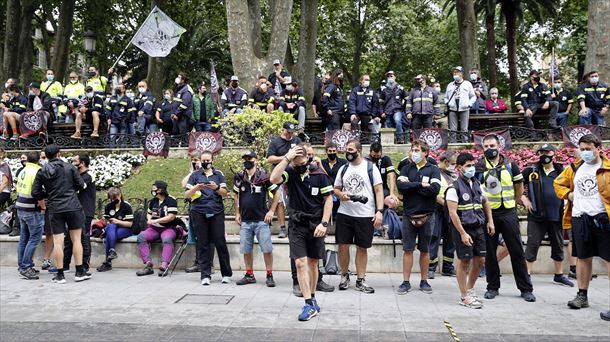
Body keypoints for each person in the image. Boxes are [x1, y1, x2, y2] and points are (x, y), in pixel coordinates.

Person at [270, 144, 333, 321]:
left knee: (313, 263)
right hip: (297, 224)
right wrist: (287, 158)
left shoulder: (319, 174)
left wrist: (324, 223)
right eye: (295, 163)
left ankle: (312, 298)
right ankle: (307, 303)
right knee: (300, 263)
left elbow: (328, 200)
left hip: (316, 224)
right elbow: (274, 179)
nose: (299, 166)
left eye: (301, 163)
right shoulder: (290, 171)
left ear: (307, 159)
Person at [553, 134, 610, 320]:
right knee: (583, 257)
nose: (585, 152)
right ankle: (582, 295)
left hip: (603, 218)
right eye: (582, 149)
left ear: (598, 148)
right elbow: (558, 183)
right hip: (580, 217)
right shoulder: (574, 168)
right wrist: (568, 194)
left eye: (589, 149)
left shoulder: (607, 168)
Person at [475, 134, 536, 302]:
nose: (489, 149)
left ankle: (525, 288)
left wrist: (515, 203)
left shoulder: (511, 165)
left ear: (499, 146)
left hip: (509, 213)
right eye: (486, 146)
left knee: (516, 251)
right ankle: (492, 287)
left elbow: (519, 186)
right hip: (489, 214)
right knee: (490, 253)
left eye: (492, 145)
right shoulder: (479, 167)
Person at [31, 144, 89, 284]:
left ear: (46, 155)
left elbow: (35, 192)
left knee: (58, 242)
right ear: (59, 154)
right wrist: (69, 190)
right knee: (76, 239)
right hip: (72, 205)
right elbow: (81, 185)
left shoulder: (42, 170)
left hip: (55, 208)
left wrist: (49, 194)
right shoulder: (70, 167)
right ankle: (80, 271)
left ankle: (60, 274)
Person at [334, 140, 384, 293]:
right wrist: (341, 194)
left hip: (365, 214)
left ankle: (361, 279)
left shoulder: (371, 168)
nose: (348, 152)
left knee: (362, 248)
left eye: (350, 150)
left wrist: (379, 211)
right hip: (345, 213)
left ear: (359, 150)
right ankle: (344, 275)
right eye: (346, 150)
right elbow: (336, 188)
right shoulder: (343, 168)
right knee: (343, 246)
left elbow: (379, 191)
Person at [446, 152, 494, 309]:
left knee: (480, 260)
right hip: (463, 229)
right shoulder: (454, 188)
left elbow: (485, 202)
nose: (472, 168)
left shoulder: (478, 184)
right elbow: (453, 213)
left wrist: (490, 222)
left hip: (478, 227)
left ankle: (470, 289)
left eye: (473, 165)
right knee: (464, 260)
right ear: (459, 168)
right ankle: (464, 295)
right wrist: (462, 233)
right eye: (468, 166)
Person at [521, 144, 573, 286]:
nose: (545, 155)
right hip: (537, 216)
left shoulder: (561, 171)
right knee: (532, 245)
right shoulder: (531, 171)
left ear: (554, 153)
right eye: (542, 152)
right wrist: (524, 199)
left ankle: (559, 274)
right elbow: (518, 187)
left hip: (556, 215)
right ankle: (527, 276)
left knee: (558, 245)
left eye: (547, 152)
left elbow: (571, 188)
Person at [396, 140, 440, 294]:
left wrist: (412, 186)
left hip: (428, 215)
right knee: (407, 249)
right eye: (413, 150)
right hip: (409, 215)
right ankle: (406, 282)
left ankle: (424, 281)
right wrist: (420, 185)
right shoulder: (406, 168)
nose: (414, 153)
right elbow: (401, 186)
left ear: (425, 152)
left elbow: (435, 189)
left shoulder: (433, 170)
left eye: (417, 150)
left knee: (425, 250)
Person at [185, 152, 233, 284]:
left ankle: (226, 274)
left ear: (212, 160)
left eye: (208, 160)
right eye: (204, 160)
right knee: (203, 244)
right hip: (199, 212)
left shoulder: (219, 174)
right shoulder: (195, 175)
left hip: (216, 211)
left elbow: (225, 193)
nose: (206, 162)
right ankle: (205, 275)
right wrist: (196, 187)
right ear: (200, 161)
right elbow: (187, 194)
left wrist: (216, 187)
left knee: (220, 242)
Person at [233, 151, 279, 287]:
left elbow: (276, 194)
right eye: (245, 158)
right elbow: (235, 194)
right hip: (245, 221)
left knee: (267, 249)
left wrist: (271, 211)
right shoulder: (240, 177)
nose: (247, 160)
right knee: (246, 249)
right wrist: (237, 213)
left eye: (250, 158)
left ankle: (269, 274)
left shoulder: (263, 177)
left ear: (256, 160)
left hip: (261, 220)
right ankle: (249, 274)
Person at [136, 181, 180, 277]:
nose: (153, 190)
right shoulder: (153, 201)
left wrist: (156, 221)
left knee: (167, 239)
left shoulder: (171, 200)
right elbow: (149, 213)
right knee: (141, 237)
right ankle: (148, 264)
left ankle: (164, 265)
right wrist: (149, 219)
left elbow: (171, 217)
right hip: (154, 229)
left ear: (160, 189)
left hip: (168, 228)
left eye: (154, 188)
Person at [267, 122, 302, 238]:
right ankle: (282, 228)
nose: (290, 135)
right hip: (279, 176)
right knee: (279, 202)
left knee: (294, 201)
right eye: (288, 132)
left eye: (292, 132)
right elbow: (270, 159)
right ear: (283, 130)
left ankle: (295, 226)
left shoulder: (296, 140)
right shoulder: (275, 142)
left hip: (293, 175)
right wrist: (286, 157)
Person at [61, 154, 95, 273]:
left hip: (85, 211)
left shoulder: (89, 176)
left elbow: (76, 187)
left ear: (83, 163)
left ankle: (84, 266)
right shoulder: (76, 175)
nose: (72, 163)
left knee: (83, 238)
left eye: (75, 161)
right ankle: (65, 265)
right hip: (74, 210)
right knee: (69, 238)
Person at [15, 151, 45, 280]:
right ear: (38, 160)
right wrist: (43, 206)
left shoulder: (23, 170)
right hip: (31, 209)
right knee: (34, 239)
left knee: (24, 238)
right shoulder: (38, 171)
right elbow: (38, 192)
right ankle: (26, 267)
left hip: (20, 207)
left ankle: (22, 265)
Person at [428, 151, 457, 279]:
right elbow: (434, 194)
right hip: (437, 210)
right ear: (445, 162)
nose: (454, 166)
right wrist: (447, 204)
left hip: (450, 211)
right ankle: (431, 268)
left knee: (450, 239)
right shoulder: (435, 173)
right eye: (453, 164)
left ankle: (447, 267)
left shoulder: (453, 175)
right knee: (434, 237)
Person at [96, 187, 134, 272]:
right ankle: (112, 251)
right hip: (112, 229)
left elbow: (130, 224)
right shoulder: (108, 206)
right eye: (112, 198)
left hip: (125, 229)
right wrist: (108, 222)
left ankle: (108, 263)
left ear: (120, 195)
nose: (114, 200)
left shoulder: (126, 206)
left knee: (109, 235)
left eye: (115, 197)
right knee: (111, 228)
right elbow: (106, 221)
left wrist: (117, 221)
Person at [445, 66, 476, 143]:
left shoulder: (467, 84)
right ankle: (453, 144)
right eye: (454, 72)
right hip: (452, 109)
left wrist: (469, 104)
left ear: (462, 73)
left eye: (457, 72)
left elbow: (473, 96)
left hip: (464, 109)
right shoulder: (450, 85)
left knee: (464, 129)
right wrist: (448, 103)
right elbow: (446, 97)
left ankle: (465, 144)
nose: (455, 73)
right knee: (453, 129)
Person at [379, 71, 408, 143]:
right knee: (387, 126)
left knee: (398, 121)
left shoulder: (400, 88)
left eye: (391, 76)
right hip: (387, 111)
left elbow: (407, 99)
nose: (390, 77)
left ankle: (400, 139)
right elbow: (380, 103)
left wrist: (403, 109)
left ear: (395, 77)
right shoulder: (384, 89)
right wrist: (382, 112)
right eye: (388, 76)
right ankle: (387, 142)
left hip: (397, 110)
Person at [321, 143, 348, 220]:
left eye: (334, 151)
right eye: (330, 151)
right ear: (326, 152)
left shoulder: (343, 162)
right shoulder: (322, 163)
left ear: (337, 151)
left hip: (338, 189)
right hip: (325, 189)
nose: (332, 153)